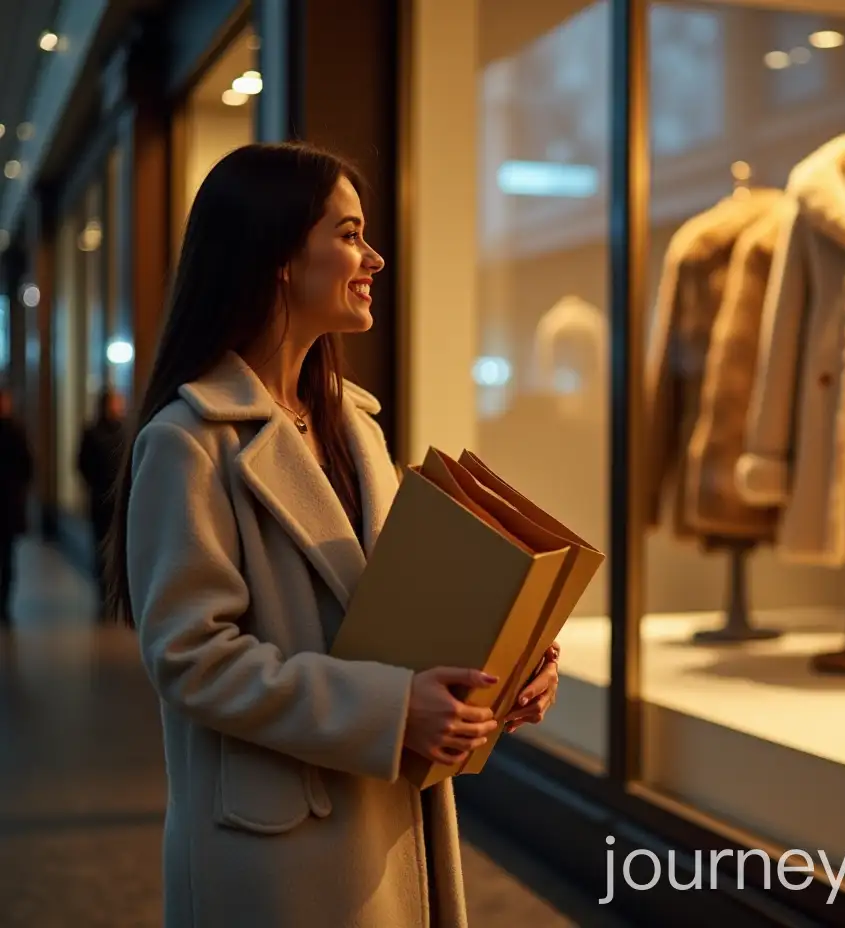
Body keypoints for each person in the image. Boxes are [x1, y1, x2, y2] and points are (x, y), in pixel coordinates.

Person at [103, 141, 560, 928]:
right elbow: (190, 659)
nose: (373, 257)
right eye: (349, 234)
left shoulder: (357, 425)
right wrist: (390, 709)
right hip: (281, 847)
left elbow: (390, 616)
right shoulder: (188, 441)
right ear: (280, 255)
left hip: (390, 824)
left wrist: (506, 667)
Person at [77, 386, 126, 608]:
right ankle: (103, 592)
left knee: (118, 549)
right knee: (100, 548)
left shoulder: (124, 432)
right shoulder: (93, 433)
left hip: (119, 501)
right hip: (100, 500)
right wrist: (97, 484)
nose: (119, 406)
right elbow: (82, 464)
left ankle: (116, 593)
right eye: (116, 402)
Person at [0, 384, 34, 626]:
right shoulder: (15, 432)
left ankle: (3, 602)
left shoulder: (15, 432)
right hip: (9, 504)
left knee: (7, 557)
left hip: (8, 506)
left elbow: (27, 467)